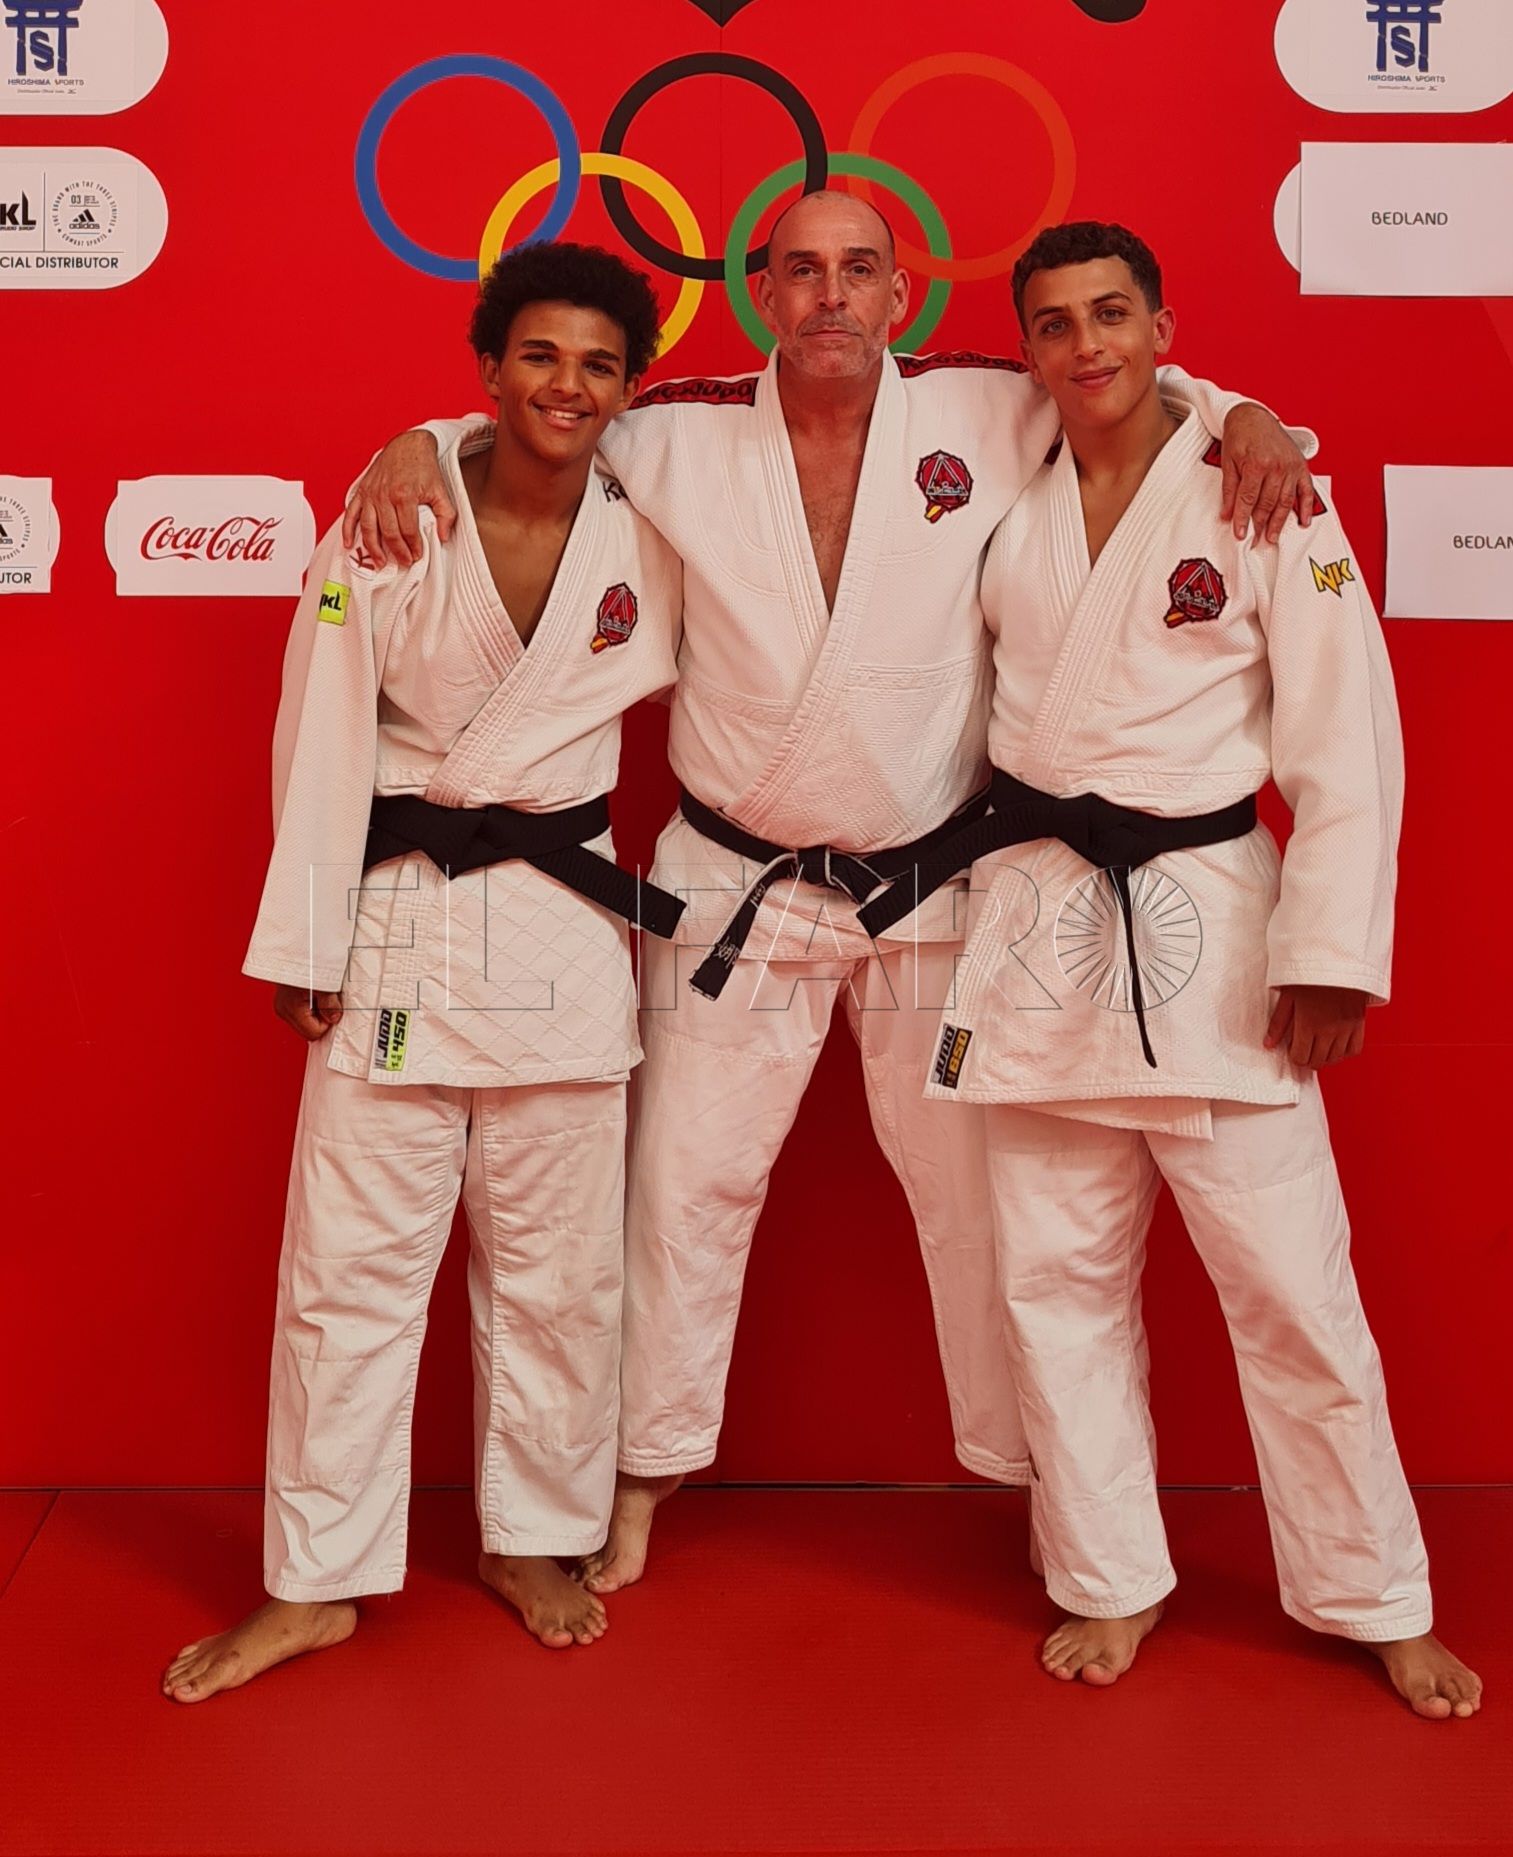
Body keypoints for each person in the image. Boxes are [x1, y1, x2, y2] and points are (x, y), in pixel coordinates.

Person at [347, 190, 1313, 1594]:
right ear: (762, 292)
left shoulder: (988, 407)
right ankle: (644, 1471)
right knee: (682, 1189)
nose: (830, 297)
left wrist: (1248, 414)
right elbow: (533, 418)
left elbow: (1132, 390)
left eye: (859, 270)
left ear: (901, 294)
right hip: (732, 884)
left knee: (979, 1205)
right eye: (801, 272)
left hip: (932, 887)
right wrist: (418, 444)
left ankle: (1037, 1481)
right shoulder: (678, 430)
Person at [860, 220, 1481, 1719]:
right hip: (1034, 920)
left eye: (1113, 314)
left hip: (1212, 925)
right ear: (1027, 350)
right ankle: (1109, 1575)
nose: (1088, 346)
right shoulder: (1003, 487)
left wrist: (1329, 952)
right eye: (1056, 323)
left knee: (1293, 1293)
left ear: (1162, 326)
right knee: (1054, 1281)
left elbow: (1346, 737)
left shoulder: (1260, 490)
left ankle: (1373, 1595)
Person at [161, 242, 685, 1702]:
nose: (566, 385)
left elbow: (790, 439)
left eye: (596, 364)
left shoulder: (654, 530)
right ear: (489, 369)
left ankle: (535, 1538)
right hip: (401, 919)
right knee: (346, 1276)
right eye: (538, 355)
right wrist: (306, 934)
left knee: (562, 1275)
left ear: (627, 389)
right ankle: (313, 1580)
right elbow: (320, 722)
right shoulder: (391, 522)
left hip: (563, 932)